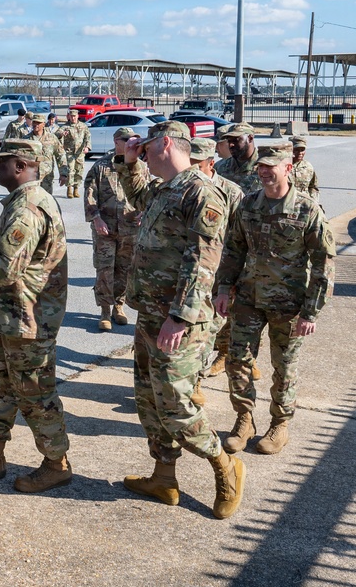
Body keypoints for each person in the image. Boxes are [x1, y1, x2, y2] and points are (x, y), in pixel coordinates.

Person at [115, 120, 245, 520]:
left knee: (175, 404)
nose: (144, 152)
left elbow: (203, 262)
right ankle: (164, 477)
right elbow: (136, 194)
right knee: (149, 399)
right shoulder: (165, 189)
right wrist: (130, 159)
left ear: (166, 143)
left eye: (148, 147)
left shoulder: (202, 193)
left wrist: (180, 316)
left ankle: (224, 465)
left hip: (179, 320)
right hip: (152, 314)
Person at [0, 138, 73, 493]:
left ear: (20, 166)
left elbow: (5, 270)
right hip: (13, 316)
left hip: (28, 318)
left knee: (34, 392)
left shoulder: (28, 209)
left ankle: (57, 464)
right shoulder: (25, 202)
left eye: (2, 161)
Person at [215, 143, 335, 455]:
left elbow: (324, 264)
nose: (265, 171)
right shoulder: (249, 204)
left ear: (288, 169)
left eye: (272, 166)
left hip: (289, 304)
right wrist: (224, 289)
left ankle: (279, 424)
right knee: (237, 360)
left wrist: (311, 311)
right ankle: (244, 419)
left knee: (284, 366)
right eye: (262, 166)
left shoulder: (308, 210)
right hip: (249, 299)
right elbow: (233, 250)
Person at [187, 137, 243, 407]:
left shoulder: (231, 193)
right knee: (195, 330)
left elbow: (241, 238)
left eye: (197, 164)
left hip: (220, 274)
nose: (192, 169)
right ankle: (193, 380)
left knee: (212, 328)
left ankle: (200, 376)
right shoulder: (184, 187)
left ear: (211, 162)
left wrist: (233, 278)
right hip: (191, 272)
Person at [83, 127, 140, 331]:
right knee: (105, 270)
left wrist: (145, 212)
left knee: (124, 270)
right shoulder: (101, 167)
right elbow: (90, 195)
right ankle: (105, 311)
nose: (131, 143)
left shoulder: (139, 167)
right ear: (117, 141)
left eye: (134, 140)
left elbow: (148, 193)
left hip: (130, 228)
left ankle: (119, 307)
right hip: (105, 229)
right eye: (127, 140)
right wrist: (96, 219)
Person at [214, 122, 262, 195]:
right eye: (229, 141)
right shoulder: (220, 167)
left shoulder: (264, 167)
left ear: (250, 138)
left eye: (236, 140)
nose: (231, 145)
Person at [29, 113, 67, 195]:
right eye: (34, 122)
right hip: (30, 177)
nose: (35, 125)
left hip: (47, 177)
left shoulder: (52, 138)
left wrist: (63, 174)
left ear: (43, 124)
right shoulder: (26, 139)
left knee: (46, 203)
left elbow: (60, 155)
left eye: (38, 123)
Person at [58, 109, 91, 198]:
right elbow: (57, 133)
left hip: (80, 153)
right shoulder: (66, 126)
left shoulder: (83, 126)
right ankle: (69, 189)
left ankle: (76, 188)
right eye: (71, 116)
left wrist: (87, 147)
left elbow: (87, 137)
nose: (73, 118)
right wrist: (61, 134)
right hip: (70, 152)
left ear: (77, 116)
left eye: (74, 116)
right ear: (69, 117)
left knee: (79, 171)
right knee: (70, 170)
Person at [289, 135, 319, 201]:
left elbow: (313, 187)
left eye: (302, 150)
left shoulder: (308, 167)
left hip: (304, 206)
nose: (300, 153)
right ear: (290, 149)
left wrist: (314, 202)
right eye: (296, 150)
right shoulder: (282, 167)